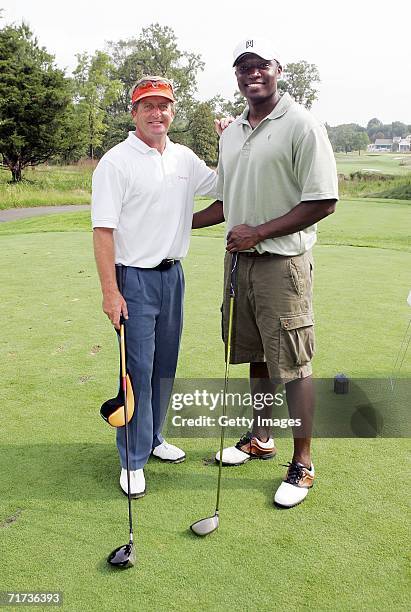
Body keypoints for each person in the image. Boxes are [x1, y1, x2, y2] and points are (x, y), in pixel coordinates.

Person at [193, 38, 338, 508]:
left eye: (261, 66)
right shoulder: (232, 130)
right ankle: (260, 438)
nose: (251, 73)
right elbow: (225, 203)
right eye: (243, 67)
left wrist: (259, 232)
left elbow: (323, 201)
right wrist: (169, 221)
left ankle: (303, 462)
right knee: (255, 356)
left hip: (282, 264)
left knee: (293, 366)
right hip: (240, 263)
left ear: (278, 70)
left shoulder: (301, 124)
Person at [92, 76, 217, 498]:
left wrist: (233, 139)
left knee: (165, 365)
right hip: (134, 278)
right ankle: (131, 457)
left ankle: (154, 437)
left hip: (172, 276)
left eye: (164, 105)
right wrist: (111, 292)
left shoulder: (184, 158)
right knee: (137, 370)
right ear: (134, 113)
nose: (157, 112)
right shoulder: (116, 162)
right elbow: (103, 231)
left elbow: (220, 185)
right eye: (148, 105)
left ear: (173, 111)